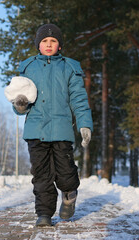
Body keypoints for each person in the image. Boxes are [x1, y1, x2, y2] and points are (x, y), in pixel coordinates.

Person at [11, 23, 93, 227]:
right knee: (41, 175)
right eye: (44, 41)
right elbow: (20, 97)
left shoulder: (69, 68)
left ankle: (69, 193)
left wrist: (84, 125)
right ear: (38, 45)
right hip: (35, 130)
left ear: (60, 45)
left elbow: (79, 99)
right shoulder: (28, 67)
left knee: (65, 173)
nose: (48, 44)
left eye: (53, 41)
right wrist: (19, 106)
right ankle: (44, 214)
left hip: (61, 130)